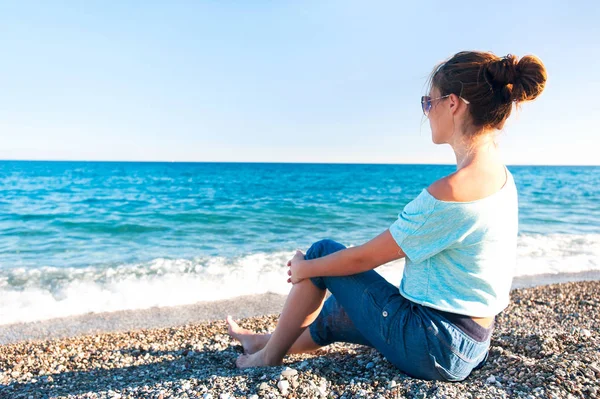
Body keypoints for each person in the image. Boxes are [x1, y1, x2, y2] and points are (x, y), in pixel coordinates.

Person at [226, 50, 547, 381]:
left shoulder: (451, 191)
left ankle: (268, 358)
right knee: (339, 310)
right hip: (471, 342)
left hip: (434, 346)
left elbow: (362, 260)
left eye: (428, 102)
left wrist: (305, 267)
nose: (426, 112)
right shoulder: (500, 177)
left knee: (324, 252)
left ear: (453, 104)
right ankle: (265, 342)